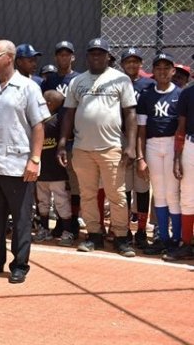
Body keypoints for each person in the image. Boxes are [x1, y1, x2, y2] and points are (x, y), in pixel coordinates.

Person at [0, 40, 47, 284]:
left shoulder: (28, 87)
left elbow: (38, 125)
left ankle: (19, 265)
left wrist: (35, 159)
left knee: (21, 218)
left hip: (19, 164)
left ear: (10, 57)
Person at [57, 38, 137, 258]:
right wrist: (62, 143)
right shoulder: (77, 82)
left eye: (101, 53)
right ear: (87, 56)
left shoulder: (120, 80)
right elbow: (68, 114)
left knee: (117, 195)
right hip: (83, 148)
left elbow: (130, 113)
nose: (96, 57)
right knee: (88, 195)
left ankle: (121, 236)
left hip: (111, 147)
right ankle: (94, 235)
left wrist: (130, 145)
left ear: (108, 56)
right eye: (92, 53)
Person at [136, 53, 182, 256]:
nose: (162, 71)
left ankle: (176, 238)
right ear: (153, 72)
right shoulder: (147, 95)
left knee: (172, 193)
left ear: (173, 71)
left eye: (167, 67)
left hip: (173, 144)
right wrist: (141, 157)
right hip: (153, 145)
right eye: (158, 68)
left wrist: (179, 154)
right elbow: (141, 130)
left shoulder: (180, 94)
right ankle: (163, 238)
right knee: (160, 194)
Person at [120, 48, 155, 244]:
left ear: (141, 64)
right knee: (123, 186)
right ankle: (124, 228)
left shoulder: (149, 84)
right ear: (122, 64)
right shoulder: (117, 82)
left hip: (144, 138)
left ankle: (141, 230)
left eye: (135, 62)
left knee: (142, 186)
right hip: (122, 137)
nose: (132, 65)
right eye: (128, 62)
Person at [34, 90, 72, 243]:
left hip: (57, 171)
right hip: (41, 170)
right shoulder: (37, 120)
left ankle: (67, 230)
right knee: (42, 201)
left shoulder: (58, 121)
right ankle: (44, 228)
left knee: (61, 201)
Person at [169, 63, 194, 261]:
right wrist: (177, 158)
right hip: (190, 145)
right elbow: (181, 127)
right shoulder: (187, 93)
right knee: (187, 196)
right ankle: (187, 243)